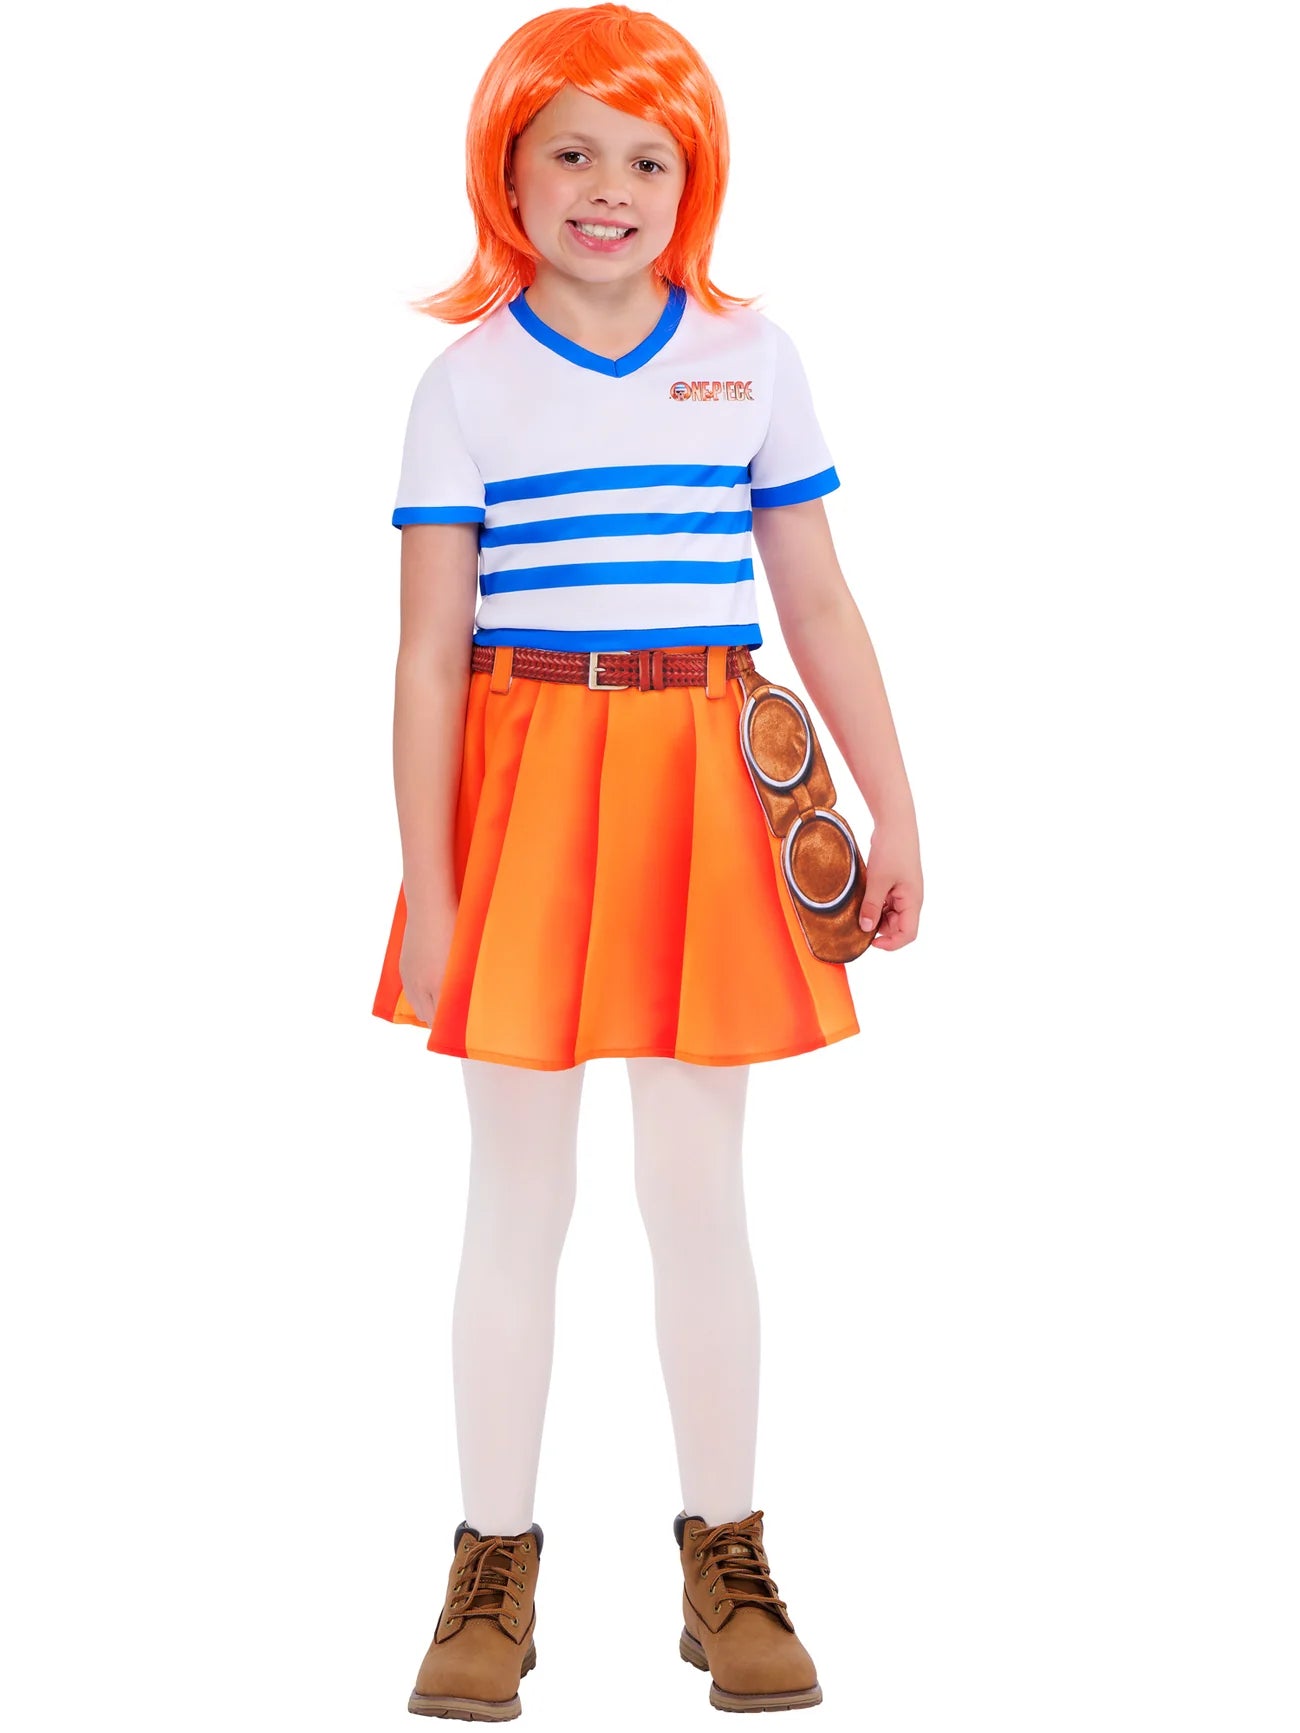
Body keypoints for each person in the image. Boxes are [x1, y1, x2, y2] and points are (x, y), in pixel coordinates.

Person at [371, 5, 922, 1718]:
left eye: (648, 158)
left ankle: (726, 1556)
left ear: (695, 183)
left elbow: (814, 595)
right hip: (530, 783)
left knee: (697, 1187)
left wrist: (898, 809)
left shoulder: (749, 357)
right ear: (507, 169)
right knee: (516, 1193)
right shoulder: (465, 384)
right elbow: (428, 657)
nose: (608, 187)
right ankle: (491, 1567)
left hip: (704, 778)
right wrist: (435, 896)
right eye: (570, 150)